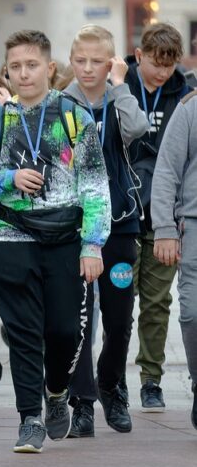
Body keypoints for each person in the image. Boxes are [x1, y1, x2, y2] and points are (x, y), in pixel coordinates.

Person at [0, 29, 111, 453]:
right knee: (24, 333)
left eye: (31, 66)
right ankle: (29, 418)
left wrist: (92, 244)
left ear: (49, 68)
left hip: (65, 237)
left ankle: (57, 391)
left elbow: (96, 185)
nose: (23, 75)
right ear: (5, 71)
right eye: (15, 67)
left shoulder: (73, 117)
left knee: (64, 330)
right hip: (10, 236)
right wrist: (7, 180)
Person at [62, 24, 148, 437]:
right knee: (79, 318)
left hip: (119, 224)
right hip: (74, 226)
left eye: (98, 61)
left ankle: (111, 382)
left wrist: (120, 85)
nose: (88, 69)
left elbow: (137, 130)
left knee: (119, 316)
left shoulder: (118, 98)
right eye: (81, 61)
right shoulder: (62, 102)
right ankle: (82, 400)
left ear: (111, 62)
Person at [126, 23, 192, 411]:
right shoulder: (122, 87)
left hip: (162, 216)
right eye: (155, 64)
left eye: (169, 66)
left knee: (156, 303)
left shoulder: (182, 92)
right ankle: (112, 374)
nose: (162, 73)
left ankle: (151, 378)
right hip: (122, 213)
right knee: (116, 303)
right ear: (139, 56)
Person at [149, 89, 197, 432]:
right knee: (193, 311)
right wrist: (165, 227)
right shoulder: (190, 108)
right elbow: (166, 170)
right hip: (193, 226)